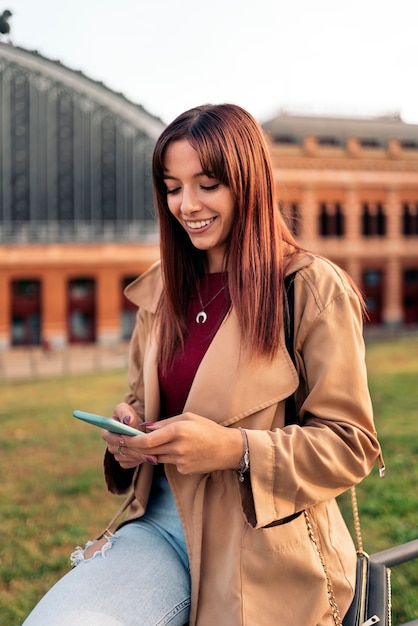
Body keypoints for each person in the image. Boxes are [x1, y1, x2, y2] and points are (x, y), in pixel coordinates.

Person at [23, 103, 381, 626]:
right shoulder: (162, 290)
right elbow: (143, 404)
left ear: (247, 183)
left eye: (207, 184)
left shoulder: (309, 287)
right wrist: (128, 436)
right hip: (161, 526)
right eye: (172, 187)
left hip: (265, 545)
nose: (186, 205)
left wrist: (233, 450)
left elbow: (352, 445)